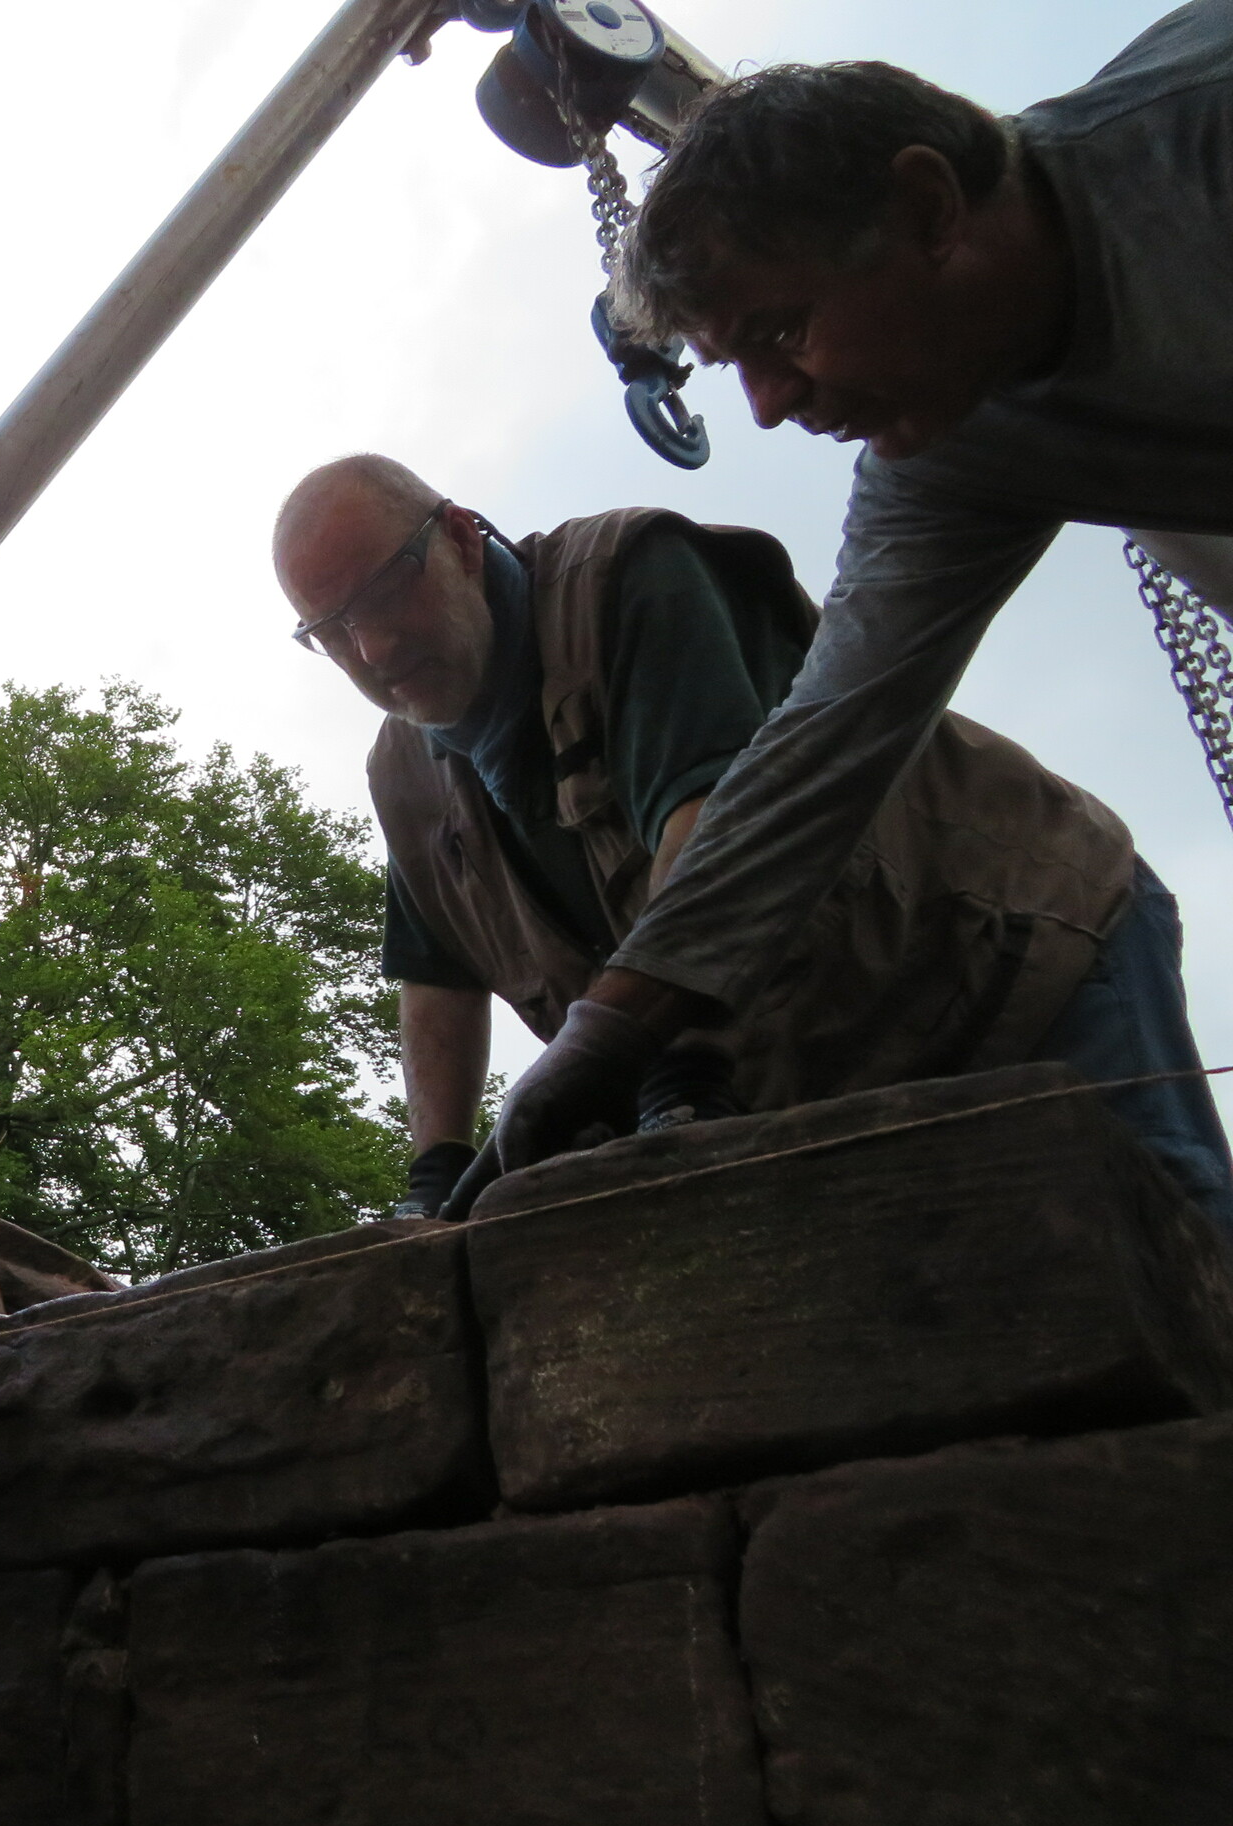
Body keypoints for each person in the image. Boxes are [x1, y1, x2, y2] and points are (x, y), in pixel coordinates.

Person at [462, 5, 1233, 1209]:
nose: (769, 406)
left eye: (782, 332)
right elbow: (826, 739)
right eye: (736, 364)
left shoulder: (1197, 146)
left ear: (929, 207)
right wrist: (612, 1026)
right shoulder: (956, 449)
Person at [274, 455, 1233, 1230]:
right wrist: (436, 1185)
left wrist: (666, 1060)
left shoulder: (629, 580)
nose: (373, 649)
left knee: (1178, 1254)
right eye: (331, 628)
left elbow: (717, 830)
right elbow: (437, 977)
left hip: (1013, 951)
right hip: (838, 1060)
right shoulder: (404, 773)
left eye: (387, 590)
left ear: (458, 539)